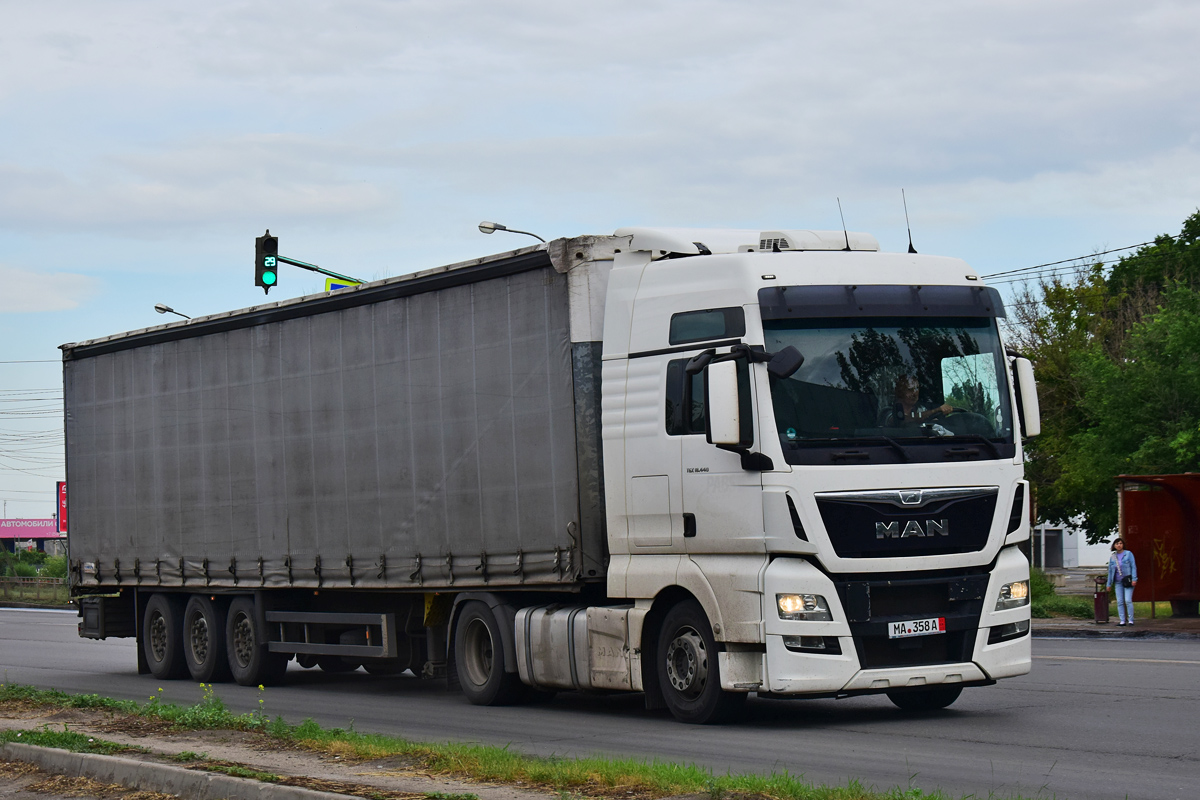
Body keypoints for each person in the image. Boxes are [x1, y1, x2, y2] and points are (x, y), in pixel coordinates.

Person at [881, 374, 952, 426]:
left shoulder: (922, 409)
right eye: (910, 390)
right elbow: (903, 421)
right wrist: (935, 410)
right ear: (900, 392)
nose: (915, 393)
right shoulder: (888, 411)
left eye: (917, 388)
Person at [1106, 537, 1138, 626]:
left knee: (1128, 600)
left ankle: (1131, 620)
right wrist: (1108, 584)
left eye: (1120, 543)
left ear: (1123, 544)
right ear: (1114, 546)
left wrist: (1134, 579)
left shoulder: (1128, 554)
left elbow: (1133, 566)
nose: (1119, 545)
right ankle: (1122, 620)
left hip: (1128, 581)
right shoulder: (1113, 557)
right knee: (1120, 601)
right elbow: (1110, 571)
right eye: (1117, 544)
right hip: (1118, 582)